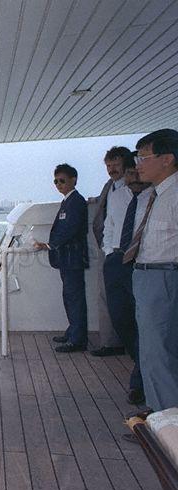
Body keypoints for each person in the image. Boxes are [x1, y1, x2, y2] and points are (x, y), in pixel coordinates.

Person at [126, 129, 178, 411]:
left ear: (167, 159)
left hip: (165, 277)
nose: (137, 164)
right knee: (151, 352)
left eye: (143, 157)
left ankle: (167, 429)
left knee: (159, 354)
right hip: (147, 275)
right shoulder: (154, 195)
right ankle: (160, 415)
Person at [102, 160, 150, 404]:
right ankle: (141, 363)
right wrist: (109, 252)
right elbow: (109, 224)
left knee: (146, 324)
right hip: (116, 259)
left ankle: (140, 381)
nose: (134, 176)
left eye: (137, 171)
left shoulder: (155, 197)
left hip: (142, 263)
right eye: (131, 173)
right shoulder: (118, 196)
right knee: (121, 318)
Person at [35, 164, 89, 353]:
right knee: (69, 297)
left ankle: (78, 339)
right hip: (67, 259)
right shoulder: (68, 201)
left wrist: (48, 245)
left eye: (62, 180)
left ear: (73, 180)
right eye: (55, 181)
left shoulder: (76, 201)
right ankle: (73, 331)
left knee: (75, 298)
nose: (58, 184)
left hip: (72, 258)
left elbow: (70, 229)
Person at [89, 147, 131, 356]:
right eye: (108, 166)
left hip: (125, 252)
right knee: (106, 298)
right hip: (108, 250)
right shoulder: (111, 187)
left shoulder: (133, 190)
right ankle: (112, 342)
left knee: (123, 301)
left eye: (115, 165)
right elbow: (109, 219)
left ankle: (120, 343)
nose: (111, 169)